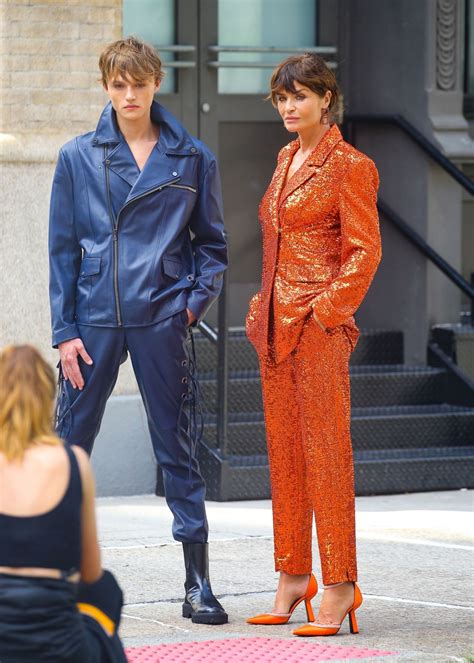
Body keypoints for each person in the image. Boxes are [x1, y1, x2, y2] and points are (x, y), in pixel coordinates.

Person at [49, 37, 228, 625]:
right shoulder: (78, 156)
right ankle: (53, 578)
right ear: (106, 86)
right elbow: (61, 251)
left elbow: (213, 246)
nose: (129, 95)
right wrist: (63, 330)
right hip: (93, 320)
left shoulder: (191, 157)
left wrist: (190, 307)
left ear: (156, 84)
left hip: (160, 316)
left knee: (177, 448)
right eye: (118, 84)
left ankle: (197, 583)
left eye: (139, 84)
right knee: (69, 447)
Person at [246, 53, 381, 636]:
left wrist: (327, 312)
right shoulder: (284, 157)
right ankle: (293, 574)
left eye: (299, 97)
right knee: (287, 458)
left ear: (326, 99)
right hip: (275, 330)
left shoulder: (351, 165)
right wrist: (262, 309)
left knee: (327, 458)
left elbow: (365, 250)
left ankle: (342, 583)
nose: (288, 107)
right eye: (281, 98)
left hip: (319, 331)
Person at [0, 345, 127, 662]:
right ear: (48, 399)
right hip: (59, 646)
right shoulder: (73, 462)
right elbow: (91, 570)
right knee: (106, 589)